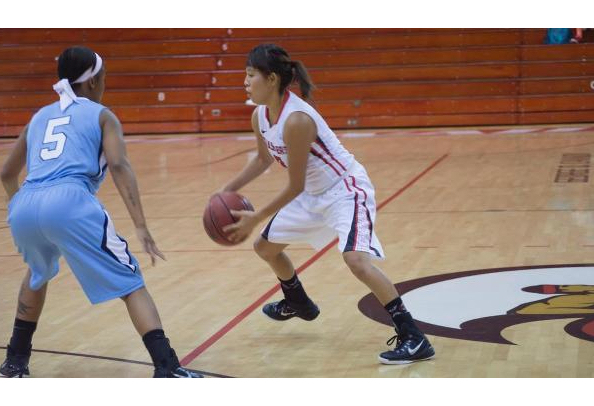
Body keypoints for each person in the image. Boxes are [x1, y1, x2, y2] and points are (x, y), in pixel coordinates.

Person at [220, 44, 435, 364]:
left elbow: (295, 184)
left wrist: (256, 217)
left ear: (272, 79)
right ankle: (298, 302)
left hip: (345, 190)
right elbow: (264, 159)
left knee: (356, 261)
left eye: (251, 75)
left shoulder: (297, 119)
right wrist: (225, 190)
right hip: (312, 196)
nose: (245, 82)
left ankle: (413, 336)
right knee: (265, 248)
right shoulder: (259, 116)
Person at [0, 46, 201, 378]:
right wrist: (141, 226)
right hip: (69, 200)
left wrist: (18, 206)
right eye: (104, 77)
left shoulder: (39, 116)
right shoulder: (101, 114)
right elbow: (119, 165)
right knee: (131, 282)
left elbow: (7, 172)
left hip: (26, 204)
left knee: (38, 273)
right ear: (92, 82)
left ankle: (15, 362)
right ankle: (168, 368)